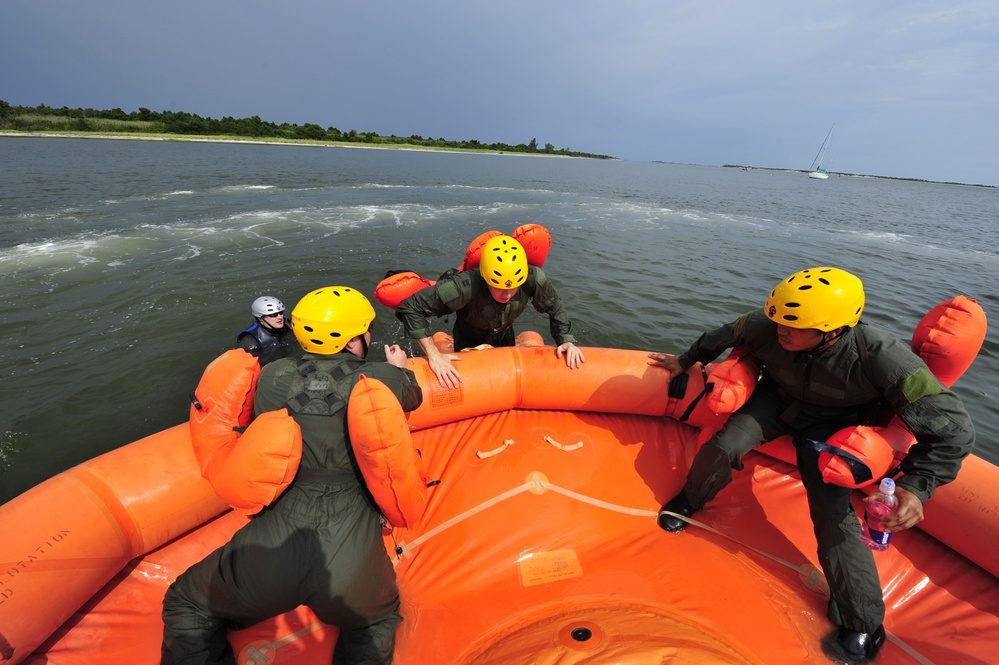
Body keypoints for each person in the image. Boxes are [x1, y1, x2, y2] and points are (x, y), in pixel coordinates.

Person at [648, 267, 975, 663]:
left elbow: (954, 429)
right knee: (725, 444)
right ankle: (690, 498)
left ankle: (864, 622)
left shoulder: (881, 357)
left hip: (835, 424)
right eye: (779, 319)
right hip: (778, 401)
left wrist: (918, 484)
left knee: (831, 512)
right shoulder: (766, 325)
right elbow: (722, 335)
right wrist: (685, 360)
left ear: (832, 330)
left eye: (794, 325)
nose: (780, 330)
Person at [162, 286, 424, 665]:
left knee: (187, 602)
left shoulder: (272, 377)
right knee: (375, 621)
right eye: (366, 331)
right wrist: (399, 369)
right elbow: (412, 396)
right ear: (354, 339)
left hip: (274, 544)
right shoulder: (382, 377)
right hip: (350, 553)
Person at [395, 234, 584, 389]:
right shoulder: (464, 286)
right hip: (468, 337)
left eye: (514, 288)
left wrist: (565, 340)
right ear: (485, 277)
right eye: (499, 287)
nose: (508, 294)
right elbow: (411, 307)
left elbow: (555, 304)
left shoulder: (532, 277)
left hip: (503, 335)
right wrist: (433, 354)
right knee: (470, 386)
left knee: (507, 385)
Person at [235, 295, 298, 366]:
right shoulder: (250, 342)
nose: (280, 317)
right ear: (261, 319)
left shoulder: (289, 325)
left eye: (281, 312)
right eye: (273, 315)